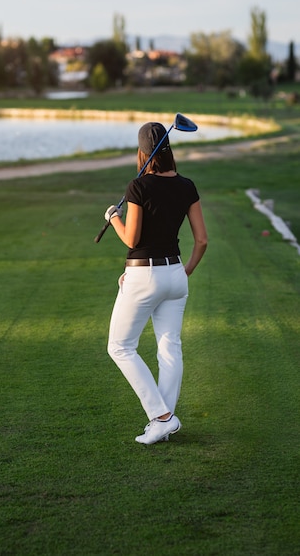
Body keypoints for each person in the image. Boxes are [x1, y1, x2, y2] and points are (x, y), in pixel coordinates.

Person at [105, 121, 208, 444]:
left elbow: (131, 239)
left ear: (143, 152)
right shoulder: (187, 185)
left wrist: (113, 218)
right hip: (175, 273)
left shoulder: (138, 187)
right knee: (169, 349)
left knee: (120, 347)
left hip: (144, 274)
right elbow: (202, 241)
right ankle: (164, 422)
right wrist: (184, 272)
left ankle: (161, 416)